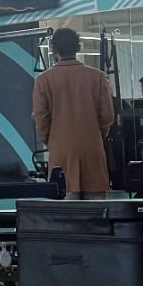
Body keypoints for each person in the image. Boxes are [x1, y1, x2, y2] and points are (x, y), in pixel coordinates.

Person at [31, 28, 116, 199]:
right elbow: (107, 116)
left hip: (60, 150)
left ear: (54, 49)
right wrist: (97, 136)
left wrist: (51, 140)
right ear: (78, 47)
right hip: (92, 149)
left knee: (67, 209)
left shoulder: (43, 80)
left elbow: (41, 118)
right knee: (96, 211)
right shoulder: (98, 77)